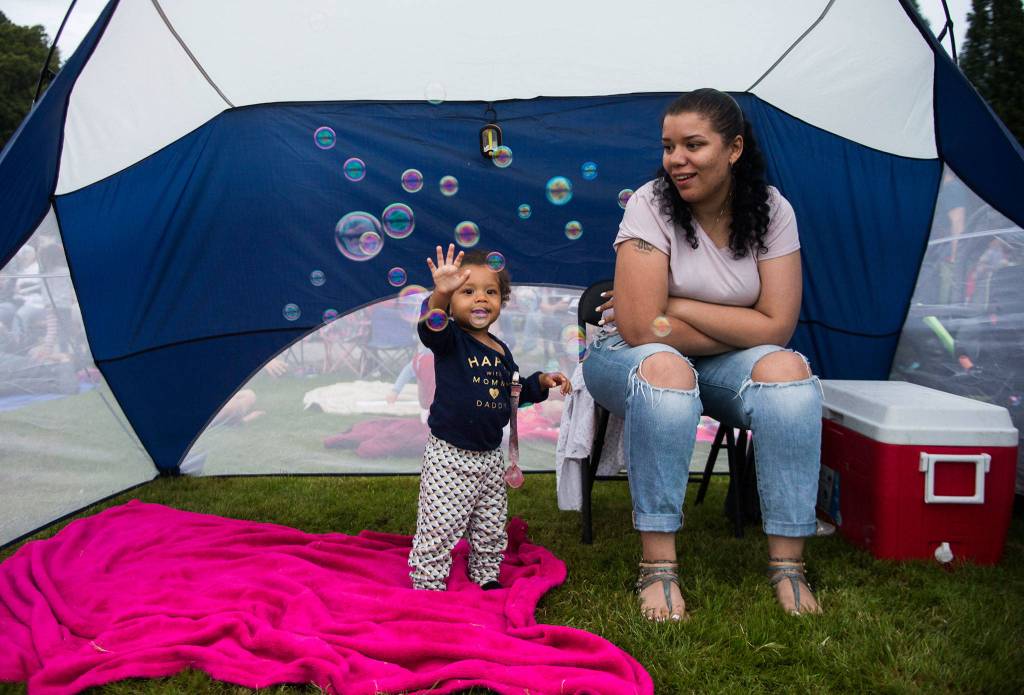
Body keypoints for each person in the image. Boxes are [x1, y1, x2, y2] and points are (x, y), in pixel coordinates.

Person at [584, 89, 823, 620]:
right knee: (667, 371)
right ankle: (658, 569)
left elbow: (778, 328)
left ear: (734, 148)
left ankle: (789, 564)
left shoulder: (772, 211)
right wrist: (748, 326)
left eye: (694, 145)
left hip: (707, 360)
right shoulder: (650, 202)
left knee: (789, 373)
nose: (677, 159)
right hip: (625, 356)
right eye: (669, 146)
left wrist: (676, 304)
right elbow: (641, 328)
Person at [408, 245, 571, 591]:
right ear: (451, 304)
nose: (480, 298)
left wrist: (539, 382)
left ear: (502, 300)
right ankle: (429, 579)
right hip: (450, 457)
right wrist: (440, 292)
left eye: (491, 291)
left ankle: (486, 575)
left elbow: (513, 394)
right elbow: (429, 326)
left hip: (490, 458)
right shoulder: (451, 340)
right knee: (441, 522)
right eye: (467, 291)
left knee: (490, 523)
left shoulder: (500, 351)